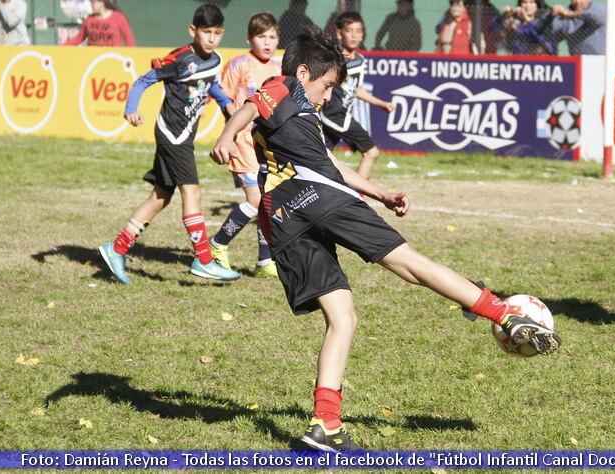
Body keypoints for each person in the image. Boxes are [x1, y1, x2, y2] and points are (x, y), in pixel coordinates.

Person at [211, 27, 561, 452]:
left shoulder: (300, 115)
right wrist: (229, 134)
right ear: (304, 72)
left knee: (343, 317)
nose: (327, 96)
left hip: (282, 217)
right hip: (317, 197)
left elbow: (332, 167)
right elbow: (252, 103)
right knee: (408, 262)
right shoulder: (282, 86)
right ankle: (503, 313)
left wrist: (381, 192)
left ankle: (326, 425)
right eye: (325, 86)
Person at [98, 4, 240, 284]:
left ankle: (116, 250)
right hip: (172, 135)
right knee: (193, 192)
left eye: (217, 33)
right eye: (206, 32)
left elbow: (209, 84)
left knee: (160, 197)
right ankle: (203, 259)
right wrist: (131, 108)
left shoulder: (214, 60)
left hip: (184, 134)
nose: (212, 38)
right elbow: (142, 81)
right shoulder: (178, 59)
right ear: (193, 30)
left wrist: (227, 104)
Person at [208, 12, 281, 278]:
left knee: (265, 202)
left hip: (266, 146)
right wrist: (232, 130)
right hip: (242, 144)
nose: (267, 42)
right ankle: (218, 244)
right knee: (255, 200)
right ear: (249, 38)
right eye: (261, 36)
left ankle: (264, 260)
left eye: (272, 37)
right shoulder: (239, 64)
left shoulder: (278, 69)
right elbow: (223, 96)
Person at [321, 11, 393, 180]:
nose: (354, 35)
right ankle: (357, 198)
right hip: (335, 114)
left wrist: (381, 104)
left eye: (358, 31)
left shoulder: (360, 60)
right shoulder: (334, 59)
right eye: (349, 30)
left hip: (340, 116)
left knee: (320, 159)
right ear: (339, 33)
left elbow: (357, 89)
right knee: (371, 152)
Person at [63, 0, 135, 47]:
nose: (91, 5)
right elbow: (78, 38)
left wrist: (131, 56)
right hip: (94, 59)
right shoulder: (89, 20)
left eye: (93, 2)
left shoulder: (119, 17)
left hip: (113, 58)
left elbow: (129, 39)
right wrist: (62, 47)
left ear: (101, 2)